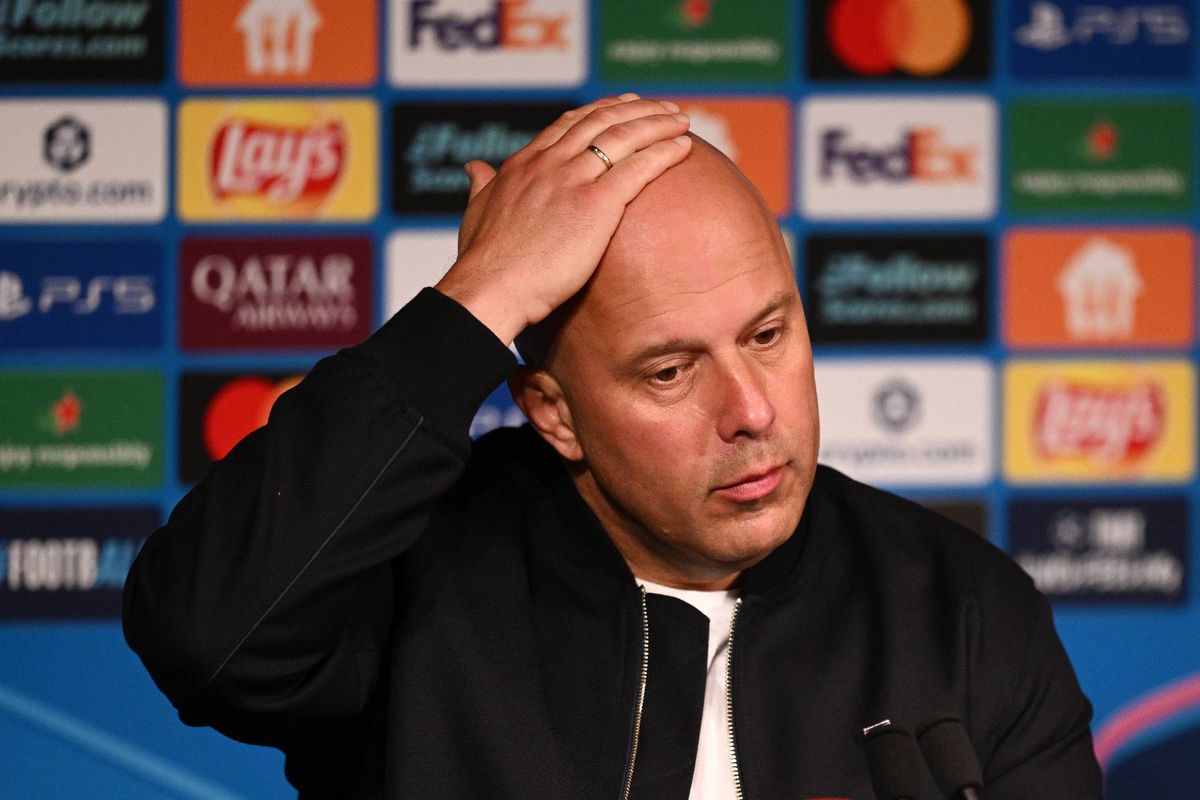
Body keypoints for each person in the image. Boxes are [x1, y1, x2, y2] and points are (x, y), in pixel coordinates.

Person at [124, 95, 1102, 799]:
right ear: (552, 412)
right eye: (670, 372)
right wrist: (482, 299)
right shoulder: (416, 581)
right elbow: (208, 634)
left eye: (768, 334)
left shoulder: (960, 609)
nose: (752, 410)